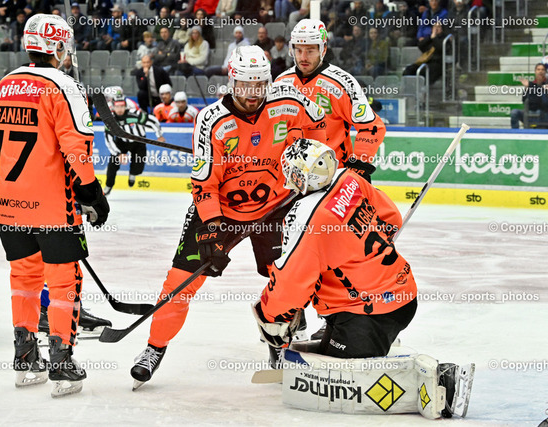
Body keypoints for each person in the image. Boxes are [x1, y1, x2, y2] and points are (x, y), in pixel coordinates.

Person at [129, 45, 326, 389]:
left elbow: (319, 124)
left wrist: (310, 157)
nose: (253, 93)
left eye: (259, 85)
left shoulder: (289, 102)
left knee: (285, 279)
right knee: (179, 282)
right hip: (221, 211)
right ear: (232, 82)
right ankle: (154, 346)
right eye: (246, 85)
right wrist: (211, 227)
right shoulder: (212, 120)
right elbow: (204, 183)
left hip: (275, 207)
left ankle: (279, 342)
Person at [252, 138, 473, 419]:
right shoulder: (349, 178)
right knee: (328, 354)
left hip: (368, 312)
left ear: (297, 177)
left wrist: (271, 315)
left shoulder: (306, 216)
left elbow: (291, 281)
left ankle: (439, 379)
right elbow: (391, 220)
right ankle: (372, 345)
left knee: (335, 380)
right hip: (400, 292)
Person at [0, 14, 110, 397]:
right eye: (65, 47)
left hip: (6, 201)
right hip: (50, 204)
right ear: (57, 47)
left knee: (24, 277)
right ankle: (62, 362)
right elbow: (76, 147)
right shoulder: (63, 85)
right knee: (63, 280)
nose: (67, 54)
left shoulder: (5, 84)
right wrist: (92, 193)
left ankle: (25, 356)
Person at [277, 19, 386, 183]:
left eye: (310, 51)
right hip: (291, 178)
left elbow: (372, 127)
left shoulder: (342, 84)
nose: (303, 57)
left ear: (323, 49)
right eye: (298, 50)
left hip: (333, 177)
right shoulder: (281, 83)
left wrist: (360, 164)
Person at [103, 94, 166, 192]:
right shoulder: (110, 120)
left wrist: (159, 135)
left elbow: (152, 120)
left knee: (139, 165)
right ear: (113, 106)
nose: (119, 109)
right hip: (121, 142)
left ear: (125, 106)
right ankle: (108, 186)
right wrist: (118, 153)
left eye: (122, 106)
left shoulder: (135, 114)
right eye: (117, 106)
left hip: (138, 142)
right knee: (112, 164)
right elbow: (109, 139)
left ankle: (133, 174)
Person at [511, 63, 548, 129]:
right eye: (538, 69)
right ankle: (515, 133)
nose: (540, 71)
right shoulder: (530, 84)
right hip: (530, 112)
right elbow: (524, 100)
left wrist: (531, 86)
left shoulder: (546, 84)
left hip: (543, 113)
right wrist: (526, 89)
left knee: (539, 112)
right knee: (514, 112)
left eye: (542, 70)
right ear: (535, 72)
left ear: (545, 72)